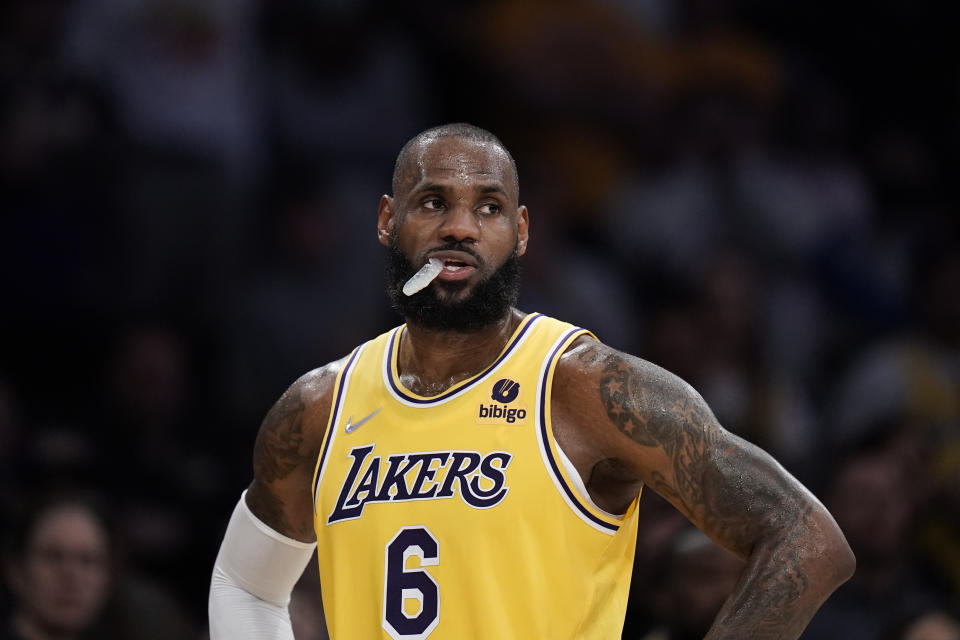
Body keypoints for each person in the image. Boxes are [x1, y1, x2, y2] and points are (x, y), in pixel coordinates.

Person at [208, 123, 855, 639]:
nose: (460, 227)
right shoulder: (319, 407)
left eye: (487, 208)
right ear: (385, 221)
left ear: (519, 233)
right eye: (434, 202)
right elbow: (246, 585)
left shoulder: (585, 387)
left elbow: (806, 537)